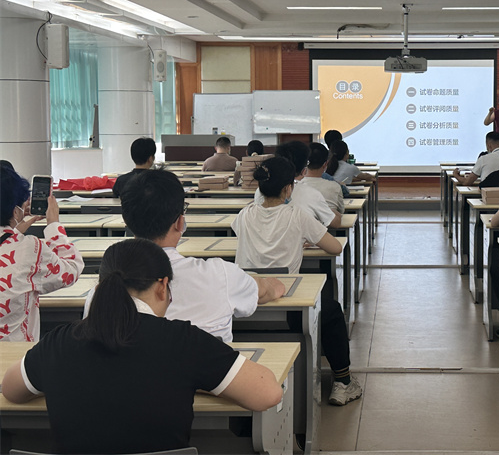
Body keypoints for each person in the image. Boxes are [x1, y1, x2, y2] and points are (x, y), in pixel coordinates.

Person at [2, 239, 283, 453]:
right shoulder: (184, 342)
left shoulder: (59, 341)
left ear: (100, 288)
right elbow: (268, 393)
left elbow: (11, 389)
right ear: (162, 286)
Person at [232, 156, 362, 406]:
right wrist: (306, 239)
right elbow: (335, 248)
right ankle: (343, 382)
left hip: (244, 305)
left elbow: (242, 233)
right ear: (288, 189)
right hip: (287, 309)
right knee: (332, 311)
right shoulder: (296, 215)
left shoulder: (244, 214)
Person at [99, 169, 286, 342]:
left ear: (127, 221)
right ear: (180, 222)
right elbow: (271, 290)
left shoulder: (103, 293)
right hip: (210, 368)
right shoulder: (221, 275)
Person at [0, 166, 84, 341]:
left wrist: (14, 232)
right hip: (14, 354)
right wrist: (53, 225)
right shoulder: (29, 249)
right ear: (15, 211)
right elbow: (71, 269)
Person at [261, 141, 342, 228]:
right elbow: (334, 223)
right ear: (304, 170)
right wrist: (332, 211)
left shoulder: (262, 190)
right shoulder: (310, 194)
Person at [302, 142, 346, 215]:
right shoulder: (335, 186)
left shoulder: (296, 187)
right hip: (330, 222)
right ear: (325, 164)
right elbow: (341, 211)